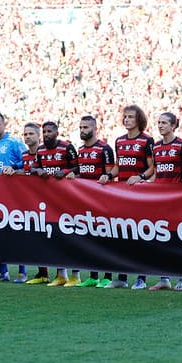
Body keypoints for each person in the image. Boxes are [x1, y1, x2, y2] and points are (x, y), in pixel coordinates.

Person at [106, 104, 155, 290]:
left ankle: (141, 277)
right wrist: (109, 175)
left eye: (130, 117)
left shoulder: (147, 141)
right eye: (125, 116)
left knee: (139, 236)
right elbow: (118, 166)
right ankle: (122, 277)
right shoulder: (119, 141)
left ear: (139, 120)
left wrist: (141, 177)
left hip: (140, 195)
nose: (126, 119)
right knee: (122, 236)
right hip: (122, 194)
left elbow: (152, 168)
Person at [66, 115, 116, 287]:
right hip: (84, 201)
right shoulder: (81, 150)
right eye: (80, 127)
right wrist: (75, 174)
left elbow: (109, 175)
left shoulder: (105, 149)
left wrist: (106, 178)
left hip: (102, 202)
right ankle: (93, 276)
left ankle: (107, 277)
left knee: (103, 238)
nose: (82, 131)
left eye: (86, 128)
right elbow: (84, 172)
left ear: (95, 129)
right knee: (88, 238)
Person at [147, 112, 182, 292]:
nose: (160, 125)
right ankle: (164, 278)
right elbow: (156, 172)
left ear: (174, 126)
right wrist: (146, 183)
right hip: (159, 199)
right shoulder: (156, 147)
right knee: (161, 239)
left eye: (164, 123)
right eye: (158, 122)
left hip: (177, 199)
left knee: (178, 238)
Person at [35, 121, 79, 287]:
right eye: (44, 131)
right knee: (56, 234)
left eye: (49, 131)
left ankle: (76, 275)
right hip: (48, 199)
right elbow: (33, 168)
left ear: (57, 132)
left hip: (67, 198)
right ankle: (61, 275)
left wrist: (66, 172)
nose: (46, 134)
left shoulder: (67, 147)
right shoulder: (40, 149)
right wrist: (38, 171)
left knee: (71, 233)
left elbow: (78, 167)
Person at [0, 112, 28, 283]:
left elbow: (27, 161)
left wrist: (13, 167)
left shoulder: (14, 142)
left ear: (4, 125)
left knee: (16, 232)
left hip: (14, 195)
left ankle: (22, 271)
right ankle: (2, 271)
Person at [3, 123, 48, 283]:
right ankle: (42, 273)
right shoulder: (24, 155)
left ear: (38, 136)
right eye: (25, 134)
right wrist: (11, 169)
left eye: (31, 134)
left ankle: (59, 273)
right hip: (29, 203)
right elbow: (21, 168)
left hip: (48, 202)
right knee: (33, 236)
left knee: (48, 235)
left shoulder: (44, 153)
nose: (27, 136)